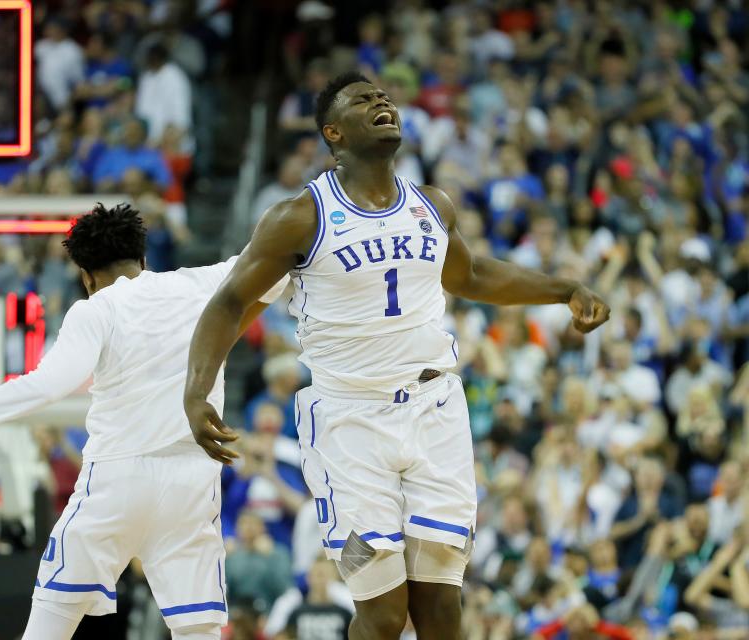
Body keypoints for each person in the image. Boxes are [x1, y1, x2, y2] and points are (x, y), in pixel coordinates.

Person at [183, 72, 609, 640]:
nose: (381, 102)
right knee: (381, 613)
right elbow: (230, 302)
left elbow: (473, 274)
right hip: (349, 428)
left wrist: (564, 290)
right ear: (334, 133)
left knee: (441, 606)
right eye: (363, 100)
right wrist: (196, 390)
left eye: (383, 97)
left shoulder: (432, 204)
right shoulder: (299, 217)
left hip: (436, 414)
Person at [0, 203, 286, 640]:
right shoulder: (202, 283)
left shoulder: (96, 309)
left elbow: (44, 386)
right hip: (191, 480)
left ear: (85, 276)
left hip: (117, 478)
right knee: (199, 631)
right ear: (143, 259)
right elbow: (277, 264)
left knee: (50, 622)